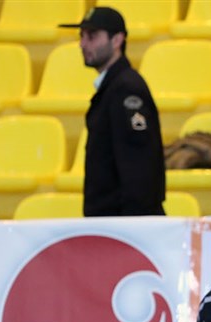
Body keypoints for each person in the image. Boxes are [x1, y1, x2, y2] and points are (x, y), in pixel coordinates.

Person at [58, 7, 164, 216]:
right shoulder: (115, 87)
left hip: (123, 222)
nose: (82, 44)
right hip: (113, 221)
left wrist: (131, 225)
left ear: (117, 40)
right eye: (81, 36)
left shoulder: (126, 89)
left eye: (92, 36)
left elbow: (138, 166)